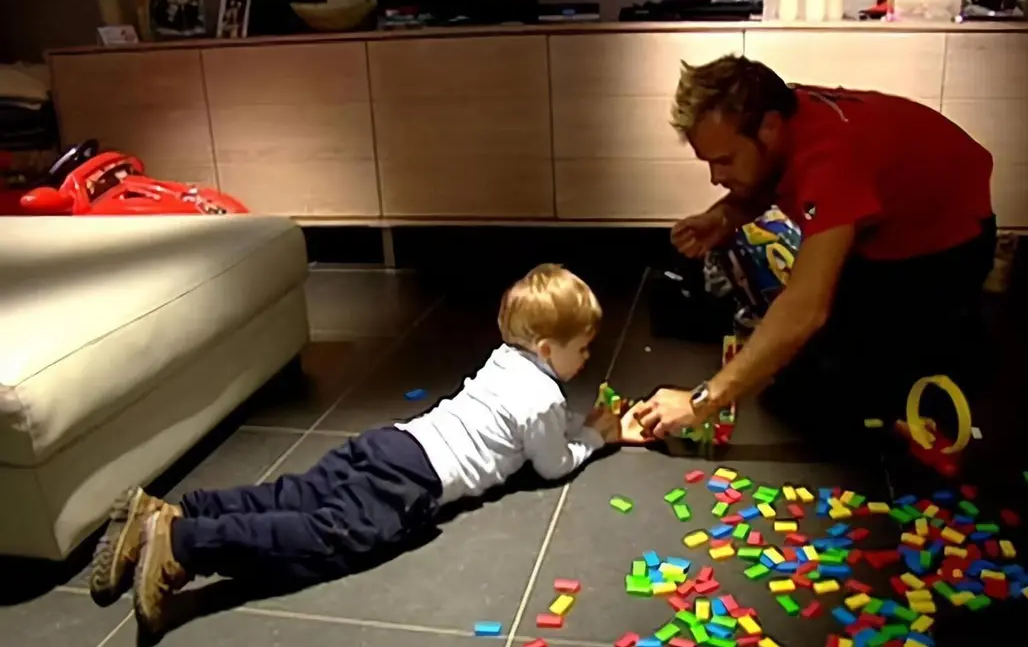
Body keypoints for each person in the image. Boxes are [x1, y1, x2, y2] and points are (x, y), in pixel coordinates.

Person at [88, 264, 648, 635]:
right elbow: (550, 463)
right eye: (583, 349)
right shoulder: (545, 396)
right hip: (412, 483)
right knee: (328, 535)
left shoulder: (505, 360)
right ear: (547, 349)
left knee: (293, 494)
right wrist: (597, 437)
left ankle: (173, 511)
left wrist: (575, 421)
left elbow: (523, 419)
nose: (587, 359)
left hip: (392, 443)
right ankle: (185, 545)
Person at [635, 55, 996, 439]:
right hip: (879, 226)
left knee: (817, 398)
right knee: (793, 374)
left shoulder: (829, 160)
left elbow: (805, 309)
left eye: (725, 161)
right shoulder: (781, 116)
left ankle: (953, 335)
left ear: (769, 128)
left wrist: (700, 403)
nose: (715, 177)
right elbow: (769, 176)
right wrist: (724, 217)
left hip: (945, 245)